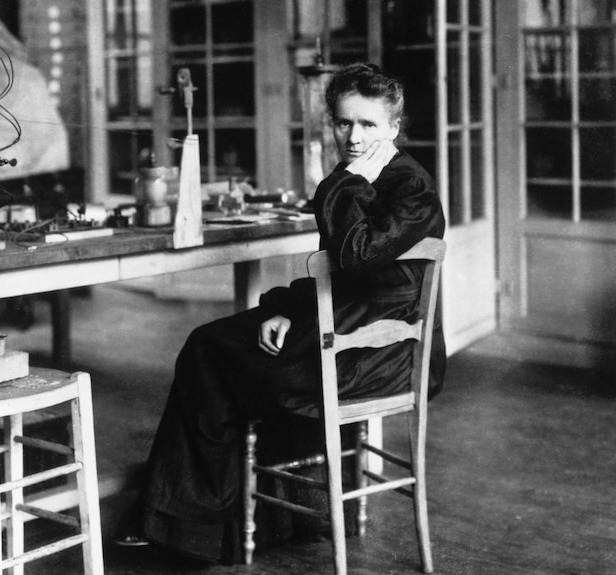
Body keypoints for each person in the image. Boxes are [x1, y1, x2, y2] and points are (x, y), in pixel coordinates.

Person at [114, 62, 446, 564]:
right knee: (227, 345)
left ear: (394, 128)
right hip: (351, 337)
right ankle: (263, 517)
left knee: (210, 351)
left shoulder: (407, 187)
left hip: (382, 356)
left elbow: (354, 255)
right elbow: (342, 271)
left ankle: (190, 525)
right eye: (342, 123)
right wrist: (287, 307)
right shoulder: (361, 177)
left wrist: (345, 182)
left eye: (368, 125)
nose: (352, 137)